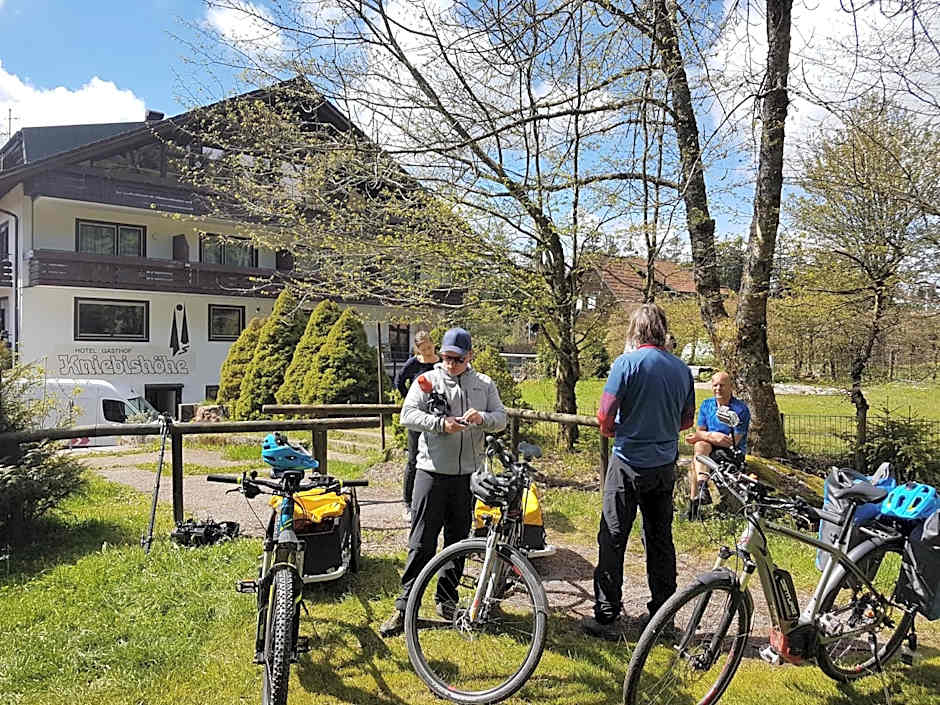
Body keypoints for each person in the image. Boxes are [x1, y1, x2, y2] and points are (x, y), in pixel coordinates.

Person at [379, 327, 507, 637]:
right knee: (421, 543)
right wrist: (440, 424)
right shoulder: (429, 381)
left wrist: (483, 420)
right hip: (431, 474)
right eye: (447, 358)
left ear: (469, 356)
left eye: (457, 359)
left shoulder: (484, 384)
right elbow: (407, 415)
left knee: (458, 543)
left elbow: (502, 419)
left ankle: (447, 601)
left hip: (467, 478)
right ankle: (404, 606)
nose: (450, 364)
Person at [582, 304, 695, 640]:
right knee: (660, 540)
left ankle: (606, 613)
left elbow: (605, 416)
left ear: (635, 331)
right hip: (663, 465)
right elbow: (687, 420)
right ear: (663, 331)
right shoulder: (681, 370)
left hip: (628, 463)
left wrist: (618, 429)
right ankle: (663, 616)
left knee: (613, 537)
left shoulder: (626, 364)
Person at [684, 371, 751, 520]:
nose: (718, 389)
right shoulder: (707, 405)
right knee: (700, 448)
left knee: (697, 458)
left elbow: (731, 441)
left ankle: (694, 504)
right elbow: (700, 432)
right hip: (709, 447)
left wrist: (704, 436)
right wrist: (712, 436)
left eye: (722, 385)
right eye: (715, 385)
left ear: (730, 387)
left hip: (731, 452)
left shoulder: (740, 409)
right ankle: (702, 488)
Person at [394, 330, 440, 522]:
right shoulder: (413, 363)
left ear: (433, 344)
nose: (427, 352)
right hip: (418, 417)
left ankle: (433, 500)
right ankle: (407, 502)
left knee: (436, 458)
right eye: (423, 349)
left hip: (437, 416)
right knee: (413, 459)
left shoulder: (441, 362)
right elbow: (399, 381)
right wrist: (409, 400)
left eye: (429, 347)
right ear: (417, 349)